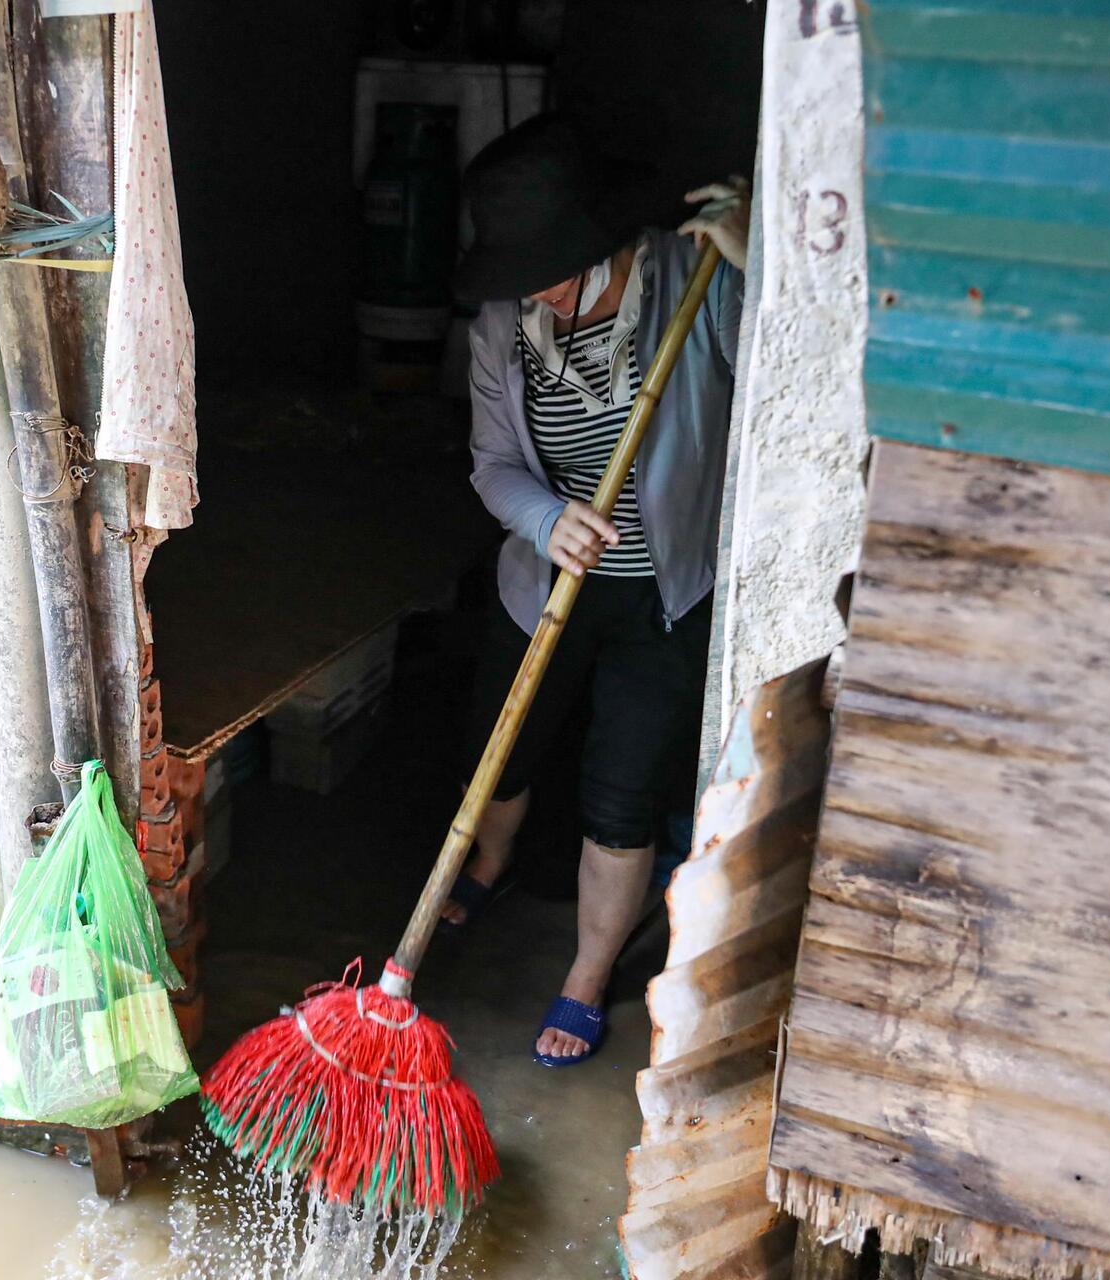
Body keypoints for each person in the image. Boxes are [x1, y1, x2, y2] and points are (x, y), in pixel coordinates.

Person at [446, 114, 749, 1067]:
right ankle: (487, 864)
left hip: (663, 598)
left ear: (602, 244)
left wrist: (759, 258)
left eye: (548, 261)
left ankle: (585, 976)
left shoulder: (695, 281)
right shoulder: (505, 320)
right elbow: (494, 465)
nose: (527, 281)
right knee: (504, 755)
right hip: (543, 584)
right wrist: (547, 521)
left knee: (619, 799)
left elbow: (793, 364)